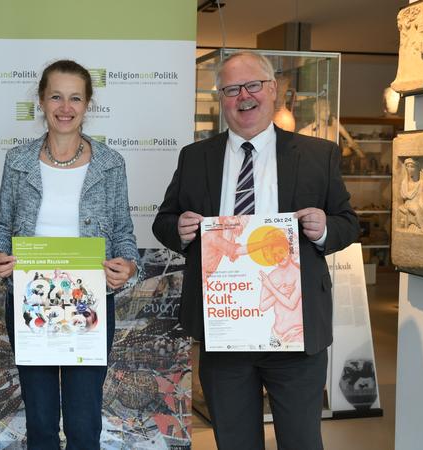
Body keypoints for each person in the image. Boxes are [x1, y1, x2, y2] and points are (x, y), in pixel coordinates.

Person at [152, 51, 358, 450]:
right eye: (231, 89)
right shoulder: (195, 157)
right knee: (235, 441)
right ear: (221, 98)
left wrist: (325, 229)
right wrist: (179, 229)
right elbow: (164, 220)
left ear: (273, 89)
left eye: (252, 85)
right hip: (225, 329)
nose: (243, 96)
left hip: (294, 332)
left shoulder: (319, 155)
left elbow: (348, 222)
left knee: (301, 440)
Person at [0, 59, 139, 449]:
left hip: (89, 305)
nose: (65, 107)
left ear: (88, 104)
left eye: (75, 98)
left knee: (84, 422)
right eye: (56, 96)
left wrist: (128, 266)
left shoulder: (110, 164)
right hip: (29, 302)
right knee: (39, 422)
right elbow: (4, 226)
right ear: (41, 101)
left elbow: (123, 234)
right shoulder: (17, 162)